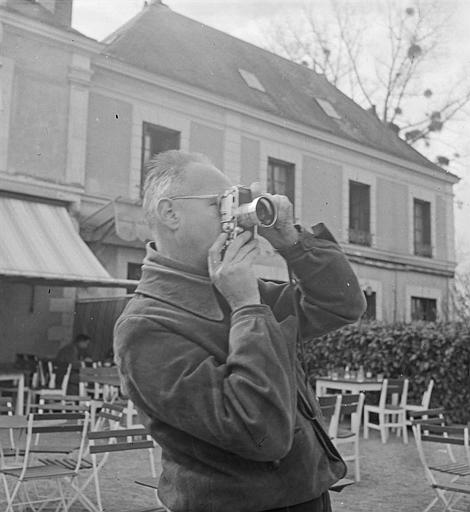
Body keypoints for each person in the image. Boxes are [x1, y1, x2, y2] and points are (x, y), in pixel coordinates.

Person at [114, 150, 366, 512]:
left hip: (306, 496)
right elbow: (259, 433)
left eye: (237, 203)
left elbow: (342, 304)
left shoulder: (244, 289)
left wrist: (291, 243)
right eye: (221, 205)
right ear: (171, 213)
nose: (237, 219)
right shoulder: (145, 326)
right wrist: (247, 307)